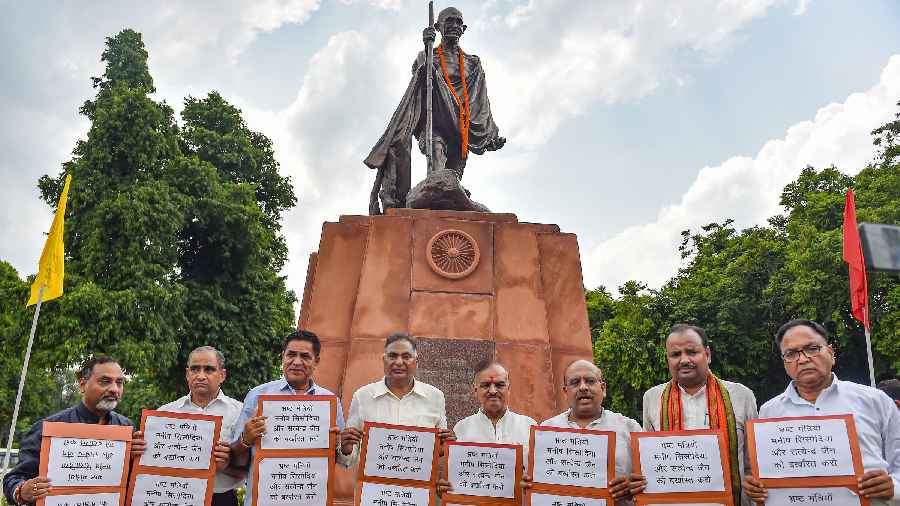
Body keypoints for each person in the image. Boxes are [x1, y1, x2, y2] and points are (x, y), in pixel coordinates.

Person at [365, 6, 505, 214]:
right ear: (438, 26)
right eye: (450, 21)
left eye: (459, 23)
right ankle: (436, 186)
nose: (455, 26)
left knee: (456, 165)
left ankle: (449, 192)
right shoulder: (430, 56)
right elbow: (418, 83)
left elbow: (481, 99)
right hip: (434, 118)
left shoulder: (472, 63)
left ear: (464, 29)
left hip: (461, 124)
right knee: (436, 149)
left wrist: (489, 132)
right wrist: (426, 55)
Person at [743, 320, 899, 505]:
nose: (802, 359)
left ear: (831, 353)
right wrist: (755, 487)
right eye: (791, 354)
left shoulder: (875, 401)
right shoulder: (770, 412)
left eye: (812, 348)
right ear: (784, 362)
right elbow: (764, 476)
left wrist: (893, 487)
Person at [632, 324, 757, 505]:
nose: (684, 360)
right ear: (668, 360)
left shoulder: (741, 396)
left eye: (692, 352)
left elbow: (751, 464)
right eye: (675, 354)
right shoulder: (652, 398)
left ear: (707, 354)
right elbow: (649, 464)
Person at [3, 355, 140, 505]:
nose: (114, 389)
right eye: (105, 381)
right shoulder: (48, 429)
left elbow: (132, 484)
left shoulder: (127, 428)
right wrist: (22, 491)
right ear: (83, 385)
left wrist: (137, 460)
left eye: (119, 383)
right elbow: (13, 479)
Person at [229, 330, 344, 506]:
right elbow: (234, 458)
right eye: (291, 354)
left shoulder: (330, 403)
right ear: (282, 356)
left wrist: (339, 445)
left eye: (305, 356)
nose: (296, 362)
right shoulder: (257, 396)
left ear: (317, 361)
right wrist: (245, 439)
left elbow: (341, 459)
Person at [523, 359, 641, 503]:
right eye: (575, 382)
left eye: (590, 381)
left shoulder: (629, 428)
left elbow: (647, 481)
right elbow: (532, 480)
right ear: (565, 392)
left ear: (603, 389)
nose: (583, 387)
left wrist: (633, 488)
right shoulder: (546, 431)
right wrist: (529, 484)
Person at [338, 333, 451, 465]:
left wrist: (444, 449)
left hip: (417, 483)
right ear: (384, 360)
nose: (398, 362)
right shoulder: (363, 396)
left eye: (406, 357)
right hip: (373, 484)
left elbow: (439, 452)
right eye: (392, 356)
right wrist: (346, 448)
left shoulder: (435, 397)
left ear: (416, 362)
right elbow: (348, 459)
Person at [155, 346, 244, 506]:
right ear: (187, 374)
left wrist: (226, 465)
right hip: (173, 497)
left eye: (209, 369)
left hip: (220, 499)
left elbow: (252, 469)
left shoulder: (241, 413)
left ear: (222, 375)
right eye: (195, 369)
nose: (201, 376)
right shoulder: (164, 414)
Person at [438, 361, 535, 495]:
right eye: (485, 385)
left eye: (500, 385)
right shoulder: (461, 428)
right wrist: (443, 488)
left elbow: (541, 478)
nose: (493, 391)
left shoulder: (529, 426)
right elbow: (452, 482)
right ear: (475, 390)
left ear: (509, 388)